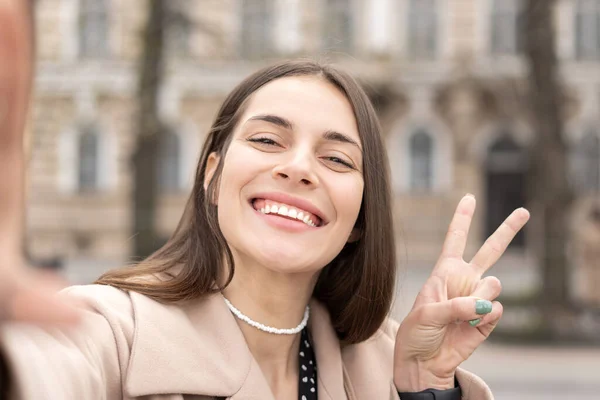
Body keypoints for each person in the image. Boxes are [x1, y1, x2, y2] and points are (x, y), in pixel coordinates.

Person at [0, 1, 531, 399]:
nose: (297, 168)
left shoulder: (387, 369)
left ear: (359, 220)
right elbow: (42, 368)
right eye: (266, 140)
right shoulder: (110, 332)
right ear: (212, 174)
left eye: (338, 159)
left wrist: (422, 387)